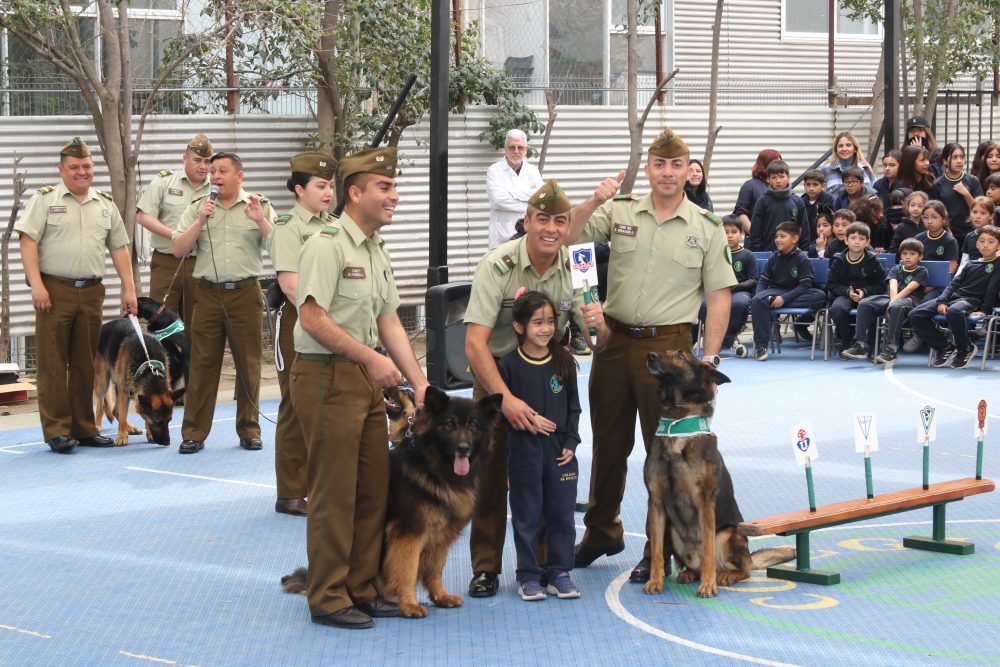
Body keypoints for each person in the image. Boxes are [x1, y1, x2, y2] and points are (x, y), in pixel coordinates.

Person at [566, 128, 736, 583]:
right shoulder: (621, 211)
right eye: (659, 164)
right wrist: (592, 199)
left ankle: (657, 549)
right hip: (613, 341)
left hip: (670, 352)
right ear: (648, 169)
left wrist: (711, 360)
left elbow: (720, 295)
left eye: (676, 165)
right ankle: (601, 531)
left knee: (665, 450)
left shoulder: (706, 227)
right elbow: (572, 235)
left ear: (688, 172)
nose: (666, 172)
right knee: (608, 442)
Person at [289, 146, 429, 629]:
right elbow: (311, 318)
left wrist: (419, 382)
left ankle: (363, 586)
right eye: (384, 187)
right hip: (327, 375)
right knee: (334, 493)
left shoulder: (374, 247)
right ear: (355, 193)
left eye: (393, 187)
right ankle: (327, 596)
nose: (394, 196)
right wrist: (372, 359)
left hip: (365, 378)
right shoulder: (327, 243)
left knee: (373, 490)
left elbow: (388, 319)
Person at [463, 179, 598, 598]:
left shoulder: (578, 265)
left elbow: (595, 339)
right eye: (543, 219)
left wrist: (599, 322)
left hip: (548, 386)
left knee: (547, 478)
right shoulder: (497, 264)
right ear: (527, 222)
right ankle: (485, 567)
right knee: (489, 482)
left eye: (561, 221)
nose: (552, 229)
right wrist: (505, 401)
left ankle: (541, 567)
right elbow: (474, 343)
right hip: (495, 385)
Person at [15, 137, 138, 453]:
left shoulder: (105, 204)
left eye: (86, 166)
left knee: (86, 363)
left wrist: (129, 288)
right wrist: (37, 284)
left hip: (92, 292)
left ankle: (84, 427)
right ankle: (57, 430)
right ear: (62, 170)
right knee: (53, 363)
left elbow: (119, 246)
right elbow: (28, 241)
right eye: (74, 167)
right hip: (54, 291)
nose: (81, 172)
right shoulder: (45, 201)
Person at [171, 151, 275, 454]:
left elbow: (282, 247)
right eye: (212, 171)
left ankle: (249, 429)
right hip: (206, 294)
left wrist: (261, 222)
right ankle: (193, 432)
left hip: (245, 293)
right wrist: (200, 221)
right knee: (202, 364)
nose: (215, 176)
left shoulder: (259, 206)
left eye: (222, 171)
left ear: (239, 175)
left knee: (249, 363)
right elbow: (178, 249)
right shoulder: (199, 207)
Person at [498, 291, 582, 602]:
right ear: (519, 326)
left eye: (549, 322)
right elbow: (503, 414)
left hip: (561, 456)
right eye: (537, 322)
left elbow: (574, 408)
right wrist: (526, 421)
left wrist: (571, 442)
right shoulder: (508, 366)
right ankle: (528, 575)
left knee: (561, 514)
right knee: (527, 514)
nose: (544, 329)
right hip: (524, 455)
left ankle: (559, 571)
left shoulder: (563, 360)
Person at [266, 151, 337, 517]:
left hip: (331, 322)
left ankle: (319, 484)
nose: (329, 192)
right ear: (299, 189)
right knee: (296, 404)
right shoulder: (287, 226)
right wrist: (325, 318)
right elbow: (291, 286)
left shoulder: (334, 224)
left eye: (331, 185)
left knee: (326, 404)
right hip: (299, 321)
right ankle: (291, 492)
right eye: (321, 185)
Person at [136, 134, 213, 336]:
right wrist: (177, 236)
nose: (203, 166)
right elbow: (143, 216)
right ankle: (164, 366)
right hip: (167, 263)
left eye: (207, 161)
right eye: (197, 160)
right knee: (162, 322)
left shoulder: (217, 188)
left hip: (201, 263)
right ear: (185, 158)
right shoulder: (165, 182)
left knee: (198, 324)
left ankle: (193, 368)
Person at [908, 226, 1000, 369]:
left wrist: (985, 310)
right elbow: (953, 285)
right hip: (955, 296)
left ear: (998, 245)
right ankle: (944, 347)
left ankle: (965, 348)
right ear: (976, 244)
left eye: (991, 241)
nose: (985, 245)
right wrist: (942, 300)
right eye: (981, 241)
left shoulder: (998, 264)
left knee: (954, 311)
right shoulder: (971, 264)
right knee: (915, 314)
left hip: (971, 300)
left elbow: (992, 290)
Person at [749, 221, 827, 361]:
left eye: (782, 236)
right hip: (775, 290)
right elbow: (763, 281)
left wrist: (783, 299)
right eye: (776, 236)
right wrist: (759, 295)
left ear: (795, 239)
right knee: (756, 300)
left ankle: (773, 302)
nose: (778, 239)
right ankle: (761, 346)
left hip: (797, 292)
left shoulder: (803, 259)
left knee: (820, 296)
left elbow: (805, 286)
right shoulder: (773, 257)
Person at [842, 238, 928, 364]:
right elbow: (893, 286)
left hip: (911, 299)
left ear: (920, 256)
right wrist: (891, 302)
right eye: (904, 254)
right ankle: (859, 344)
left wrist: (892, 304)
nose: (908, 257)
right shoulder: (896, 269)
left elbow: (909, 289)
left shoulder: (922, 271)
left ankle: (891, 349)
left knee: (897, 307)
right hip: (891, 298)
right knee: (865, 303)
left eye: (912, 254)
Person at [827, 222, 886, 354]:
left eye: (861, 239)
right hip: (845, 295)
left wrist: (865, 292)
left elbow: (882, 285)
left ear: (867, 242)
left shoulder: (873, 260)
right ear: (846, 240)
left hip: (867, 296)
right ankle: (847, 340)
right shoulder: (839, 260)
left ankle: (871, 347)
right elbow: (831, 284)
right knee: (836, 309)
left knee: (871, 308)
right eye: (853, 238)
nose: (857, 242)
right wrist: (848, 292)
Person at [486, 128, 544, 250]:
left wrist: (511, 193)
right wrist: (531, 202)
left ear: (526, 149)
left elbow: (542, 196)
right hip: (502, 236)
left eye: (520, 147)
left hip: (528, 234)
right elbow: (498, 200)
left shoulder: (532, 170)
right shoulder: (494, 170)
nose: (516, 151)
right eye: (512, 147)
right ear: (505, 148)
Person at [708, 215, 756, 358]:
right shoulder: (714, 254)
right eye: (725, 232)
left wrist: (736, 286)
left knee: (740, 303)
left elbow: (753, 280)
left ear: (741, 234)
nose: (729, 236)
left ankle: (728, 337)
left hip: (739, 291)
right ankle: (730, 341)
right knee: (704, 305)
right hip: (717, 291)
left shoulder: (748, 255)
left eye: (733, 232)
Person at [747, 159, 810, 251]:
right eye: (774, 177)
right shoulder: (763, 201)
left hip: (793, 255)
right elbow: (755, 232)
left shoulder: (797, 201)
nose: (778, 181)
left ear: (788, 177)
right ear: (768, 179)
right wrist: (758, 253)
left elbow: (804, 231)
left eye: (781, 176)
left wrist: (804, 252)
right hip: (768, 254)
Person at [930, 142, 983, 241]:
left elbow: (981, 209)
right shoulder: (938, 184)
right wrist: (945, 229)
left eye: (962, 157)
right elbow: (936, 211)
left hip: (971, 232)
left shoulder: (973, 180)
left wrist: (966, 193)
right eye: (954, 157)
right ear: (945, 161)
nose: (959, 161)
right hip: (948, 233)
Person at [733, 148, 782, 233]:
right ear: (765, 164)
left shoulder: (782, 186)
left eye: (780, 162)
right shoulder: (750, 185)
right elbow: (740, 213)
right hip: (757, 242)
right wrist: (754, 234)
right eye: (775, 162)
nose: (778, 166)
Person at [914, 200, 960, 278]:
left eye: (934, 217)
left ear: (943, 219)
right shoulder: (918, 238)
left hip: (940, 283)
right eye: (925, 217)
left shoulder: (950, 241)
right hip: (919, 280)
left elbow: (951, 268)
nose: (929, 221)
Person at [957, 196, 995, 274]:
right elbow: (964, 263)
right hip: (972, 277)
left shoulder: (997, 236)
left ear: (991, 216)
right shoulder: (969, 236)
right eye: (974, 212)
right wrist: (957, 280)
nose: (977, 216)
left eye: (983, 213)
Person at [800, 168, 835, 241]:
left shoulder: (830, 200)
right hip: (805, 242)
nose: (811, 188)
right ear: (804, 185)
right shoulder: (801, 202)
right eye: (808, 185)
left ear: (823, 186)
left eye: (815, 185)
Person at [889, 190, 928, 255]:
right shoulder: (901, 227)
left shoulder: (928, 225)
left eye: (920, 206)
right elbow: (893, 249)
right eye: (912, 205)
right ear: (907, 206)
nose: (915, 208)